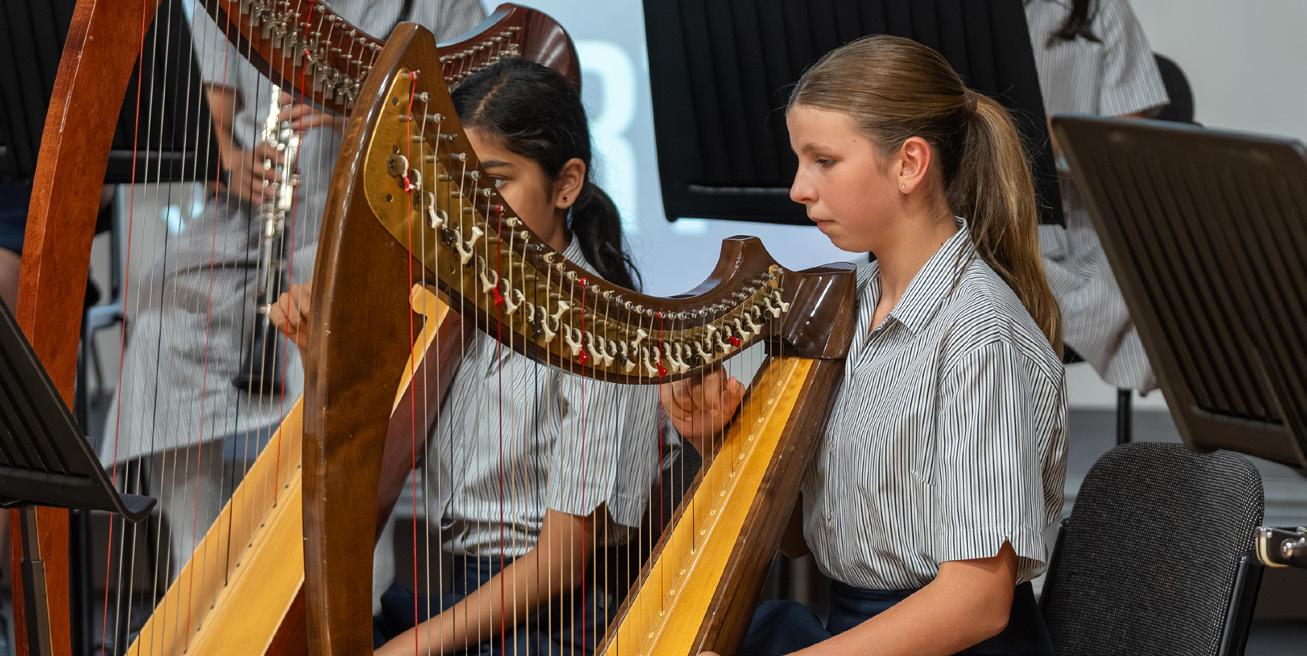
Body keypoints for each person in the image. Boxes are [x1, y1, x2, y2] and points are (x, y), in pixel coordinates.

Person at [661, 35, 1068, 655]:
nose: (799, 189)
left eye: (823, 161)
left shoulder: (979, 337)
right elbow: (802, 539)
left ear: (909, 164)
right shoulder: (842, 303)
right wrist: (718, 439)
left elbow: (977, 603)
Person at [271, 58, 662, 655]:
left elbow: (560, 563)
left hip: (556, 623)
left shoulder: (605, 338)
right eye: (457, 187)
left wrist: (409, 648)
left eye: (496, 182)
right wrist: (317, 358)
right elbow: (359, 466)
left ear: (566, 184)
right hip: (463, 602)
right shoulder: (453, 311)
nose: (471, 210)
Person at [97, 0, 485, 588]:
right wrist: (231, 163)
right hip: (254, 224)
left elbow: (472, 126)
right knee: (163, 327)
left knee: (332, 351)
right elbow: (214, 114)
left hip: (377, 223)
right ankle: (195, 564)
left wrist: (359, 110)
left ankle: (350, 575)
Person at [1026, 0, 1171, 391]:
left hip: (1080, 231)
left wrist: (1045, 137)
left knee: (1168, 274)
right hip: (979, 226)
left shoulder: (1100, 9)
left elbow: (1124, 151)